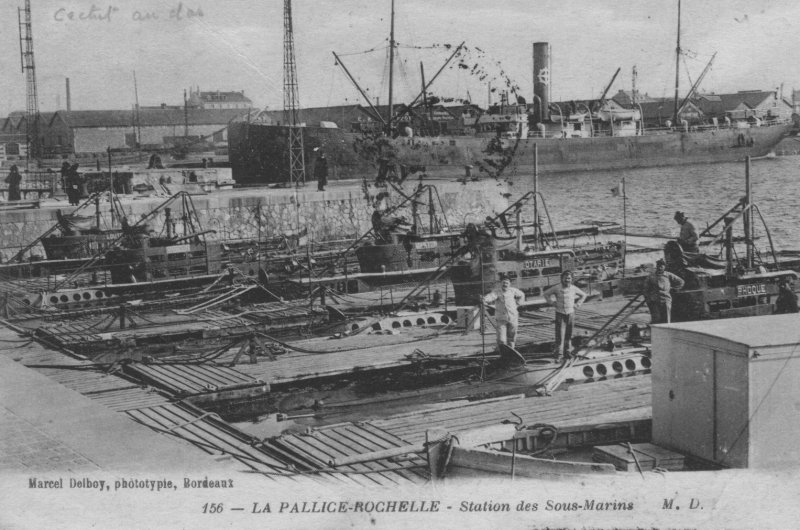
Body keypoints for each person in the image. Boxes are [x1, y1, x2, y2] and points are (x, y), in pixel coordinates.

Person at [543, 271, 588, 360]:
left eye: (569, 278)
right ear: (562, 279)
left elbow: (584, 295)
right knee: (560, 335)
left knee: (569, 334)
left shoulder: (574, 288)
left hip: (570, 313)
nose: (567, 280)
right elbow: (546, 294)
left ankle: (568, 352)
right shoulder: (556, 288)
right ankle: (559, 354)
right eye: (565, 278)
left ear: (571, 279)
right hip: (560, 313)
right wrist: (552, 303)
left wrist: (577, 304)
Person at [481, 278, 525, 350]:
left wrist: (518, 304)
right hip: (501, 318)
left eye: (506, 283)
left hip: (513, 317)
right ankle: (501, 351)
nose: (505, 284)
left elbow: (522, 295)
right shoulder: (497, 292)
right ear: (501, 284)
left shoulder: (513, 291)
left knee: (512, 337)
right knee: (501, 339)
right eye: (503, 283)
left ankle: (511, 350)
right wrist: (484, 299)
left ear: (509, 284)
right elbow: (491, 296)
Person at [643, 259, 685, 324]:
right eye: (658, 266)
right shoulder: (651, 276)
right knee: (656, 320)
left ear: (664, 267)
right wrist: (648, 299)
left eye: (661, 266)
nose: (659, 268)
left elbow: (681, 282)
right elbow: (645, 289)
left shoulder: (668, 275)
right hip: (654, 301)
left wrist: (674, 289)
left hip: (666, 299)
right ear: (656, 266)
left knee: (666, 319)